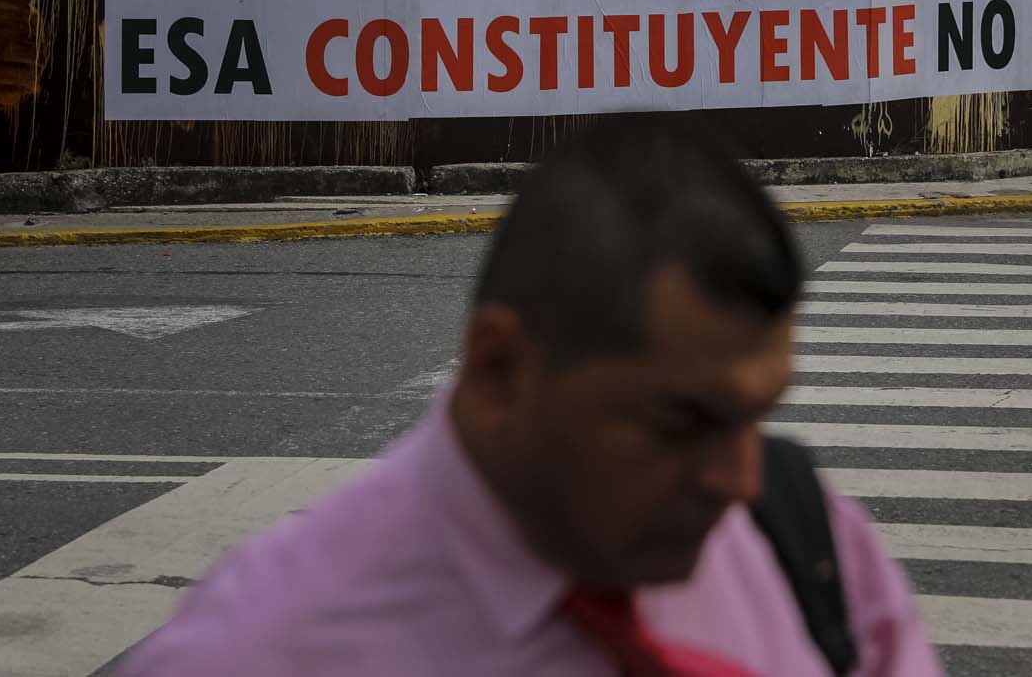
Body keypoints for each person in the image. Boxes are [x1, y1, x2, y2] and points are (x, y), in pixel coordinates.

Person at [116, 116, 943, 677]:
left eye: (759, 416)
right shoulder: (263, 651)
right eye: (683, 421)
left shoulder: (811, 542)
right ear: (501, 369)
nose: (738, 480)